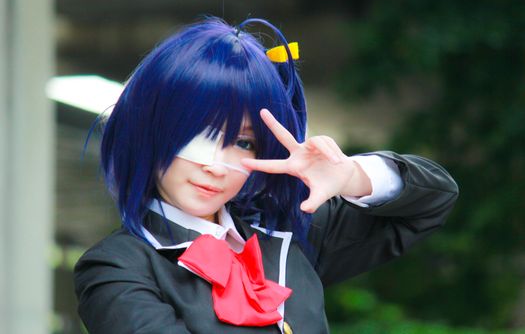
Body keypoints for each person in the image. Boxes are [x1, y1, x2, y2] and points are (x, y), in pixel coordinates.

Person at [74, 17, 458, 334]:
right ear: (150, 132)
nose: (215, 165)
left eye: (243, 143)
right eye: (197, 137)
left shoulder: (289, 230)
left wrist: (351, 176)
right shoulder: (116, 267)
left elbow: (432, 201)